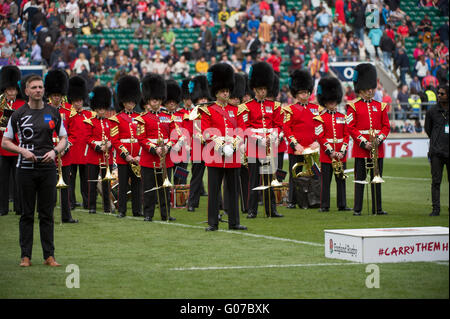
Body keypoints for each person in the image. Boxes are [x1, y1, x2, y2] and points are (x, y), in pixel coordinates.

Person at [1, 74, 67, 267]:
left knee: (47, 214)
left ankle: (49, 256)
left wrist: (55, 152)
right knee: (27, 214)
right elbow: (5, 142)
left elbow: (64, 138)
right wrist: (21, 150)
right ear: (27, 91)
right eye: (34, 87)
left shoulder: (53, 113)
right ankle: (25, 256)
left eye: (40, 87)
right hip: (26, 170)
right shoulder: (18, 114)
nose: (38, 90)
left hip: (47, 170)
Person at [201, 63, 247, 231]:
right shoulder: (208, 110)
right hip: (215, 156)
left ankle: (234, 222)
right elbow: (206, 132)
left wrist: (233, 146)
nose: (226, 93)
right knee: (214, 192)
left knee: (233, 192)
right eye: (222, 91)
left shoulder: (236, 110)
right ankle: (213, 223)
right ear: (216, 92)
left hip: (233, 156)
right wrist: (221, 145)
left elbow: (241, 131)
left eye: (227, 91)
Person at [238, 61, 283, 219]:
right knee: (254, 180)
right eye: (260, 89)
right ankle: (252, 210)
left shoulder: (274, 106)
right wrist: (258, 139)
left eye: (264, 89)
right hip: (254, 148)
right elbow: (244, 127)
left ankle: (272, 209)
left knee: (270, 178)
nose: (263, 92)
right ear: (255, 89)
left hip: (269, 147)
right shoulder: (247, 107)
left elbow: (278, 125)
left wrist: (274, 136)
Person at [346, 63, 391, 216]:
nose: (370, 92)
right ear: (360, 90)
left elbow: (386, 126)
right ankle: (357, 208)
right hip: (361, 148)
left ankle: (377, 208)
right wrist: (363, 142)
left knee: (376, 178)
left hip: (377, 148)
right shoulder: (353, 106)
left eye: (371, 89)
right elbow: (351, 127)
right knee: (360, 179)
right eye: (366, 90)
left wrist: (379, 139)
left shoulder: (381, 106)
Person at [136, 74, 176, 222]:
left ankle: (166, 214)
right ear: (148, 100)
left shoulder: (168, 116)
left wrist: (168, 146)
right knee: (149, 188)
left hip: (166, 156)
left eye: (158, 99)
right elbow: (141, 138)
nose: (157, 102)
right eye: (154, 99)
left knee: (165, 187)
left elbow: (174, 134)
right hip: (149, 158)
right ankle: (148, 213)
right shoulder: (142, 118)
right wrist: (154, 149)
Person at [44, 69, 78, 223]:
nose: (56, 98)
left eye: (58, 95)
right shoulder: (44, 109)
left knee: (66, 187)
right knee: (48, 186)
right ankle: (47, 215)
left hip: (66, 154)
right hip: (49, 153)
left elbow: (74, 132)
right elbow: (43, 131)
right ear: (50, 95)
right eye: (54, 95)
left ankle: (66, 216)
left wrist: (65, 147)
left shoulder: (69, 110)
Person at [313, 77, 351, 212]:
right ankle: (324, 205)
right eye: (330, 101)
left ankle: (342, 204)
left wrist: (342, 151)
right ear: (325, 101)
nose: (332, 103)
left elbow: (346, 136)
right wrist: (331, 152)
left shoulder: (343, 117)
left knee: (341, 180)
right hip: (327, 155)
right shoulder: (320, 118)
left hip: (340, 154)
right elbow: (320, 137)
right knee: (326, 182)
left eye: (334, 101)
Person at [283, 69, 320, 209]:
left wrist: (318, 141)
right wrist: (295, 144)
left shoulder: (316, 109)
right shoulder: (290, 109)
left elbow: (320, 127)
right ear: (296, 94)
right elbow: (287, 128)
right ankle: (293, 200)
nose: (304, 95)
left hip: (312, 147)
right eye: (301, 93)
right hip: (297, 148)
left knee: (315, 174)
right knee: (295, 175)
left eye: (306, 92)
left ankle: (314, 198)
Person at [109, 75, 143, 218]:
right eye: (128, 102)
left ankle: (137, 210)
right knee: (123, 185)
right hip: (124, 158)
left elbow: (142, 138)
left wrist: (139, 155)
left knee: (137, 185)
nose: (131, 104)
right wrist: (126, 155)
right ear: (123, 102)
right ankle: (122, 210)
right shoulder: (116, 118)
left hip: (137, 157)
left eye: (132, 101)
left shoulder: (139, 117)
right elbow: (115, 140)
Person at [84, 86, 114, 215]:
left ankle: (107, 206)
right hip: (94, 156)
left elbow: (114, 136)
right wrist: (98, 147)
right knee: (92, 182)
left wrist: (109, 144)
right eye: (100, 109)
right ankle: (92, 206)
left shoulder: (110, 122)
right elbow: (87, 138)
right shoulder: (90, 122)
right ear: (96, 109)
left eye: (103, 109)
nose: (102, 111)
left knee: (107, 183)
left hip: (107, 157)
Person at [0, 65, 25, 217]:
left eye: (13, 90)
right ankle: (2, 207)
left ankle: (19, 206)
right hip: (2, 147)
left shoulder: (21, 105)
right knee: (2, 180)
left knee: (18, 179)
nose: (11, 93)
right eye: (8, 90)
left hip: (17, 146)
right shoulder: (0, 104)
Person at [186, 75, 212, 212]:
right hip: (197, 147)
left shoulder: (212, 112)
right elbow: (189, 131)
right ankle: (192, 203)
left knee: (214, 178)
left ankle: (218, 203)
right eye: (201, 99)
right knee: (196, 177)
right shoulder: (192, 113)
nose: (203, 100)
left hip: (212, 147)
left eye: (205, 98)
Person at [67, 76, 92, 210]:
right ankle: (71, 202)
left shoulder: (88, 115)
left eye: (80, 100)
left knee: (85, 180)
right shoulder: (68, 115)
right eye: (76, 101)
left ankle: (87, 202)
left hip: (85, 152)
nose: (78, 103)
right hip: (72, 151)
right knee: (71, 179)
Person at [424, 85, 449, 216]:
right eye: (438, 93)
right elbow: (428, 129)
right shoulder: (432, 111)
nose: (439, 95)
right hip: (436, 152)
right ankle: (436, 209)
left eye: (442, 94)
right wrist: (436, 140)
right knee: (436, 181)